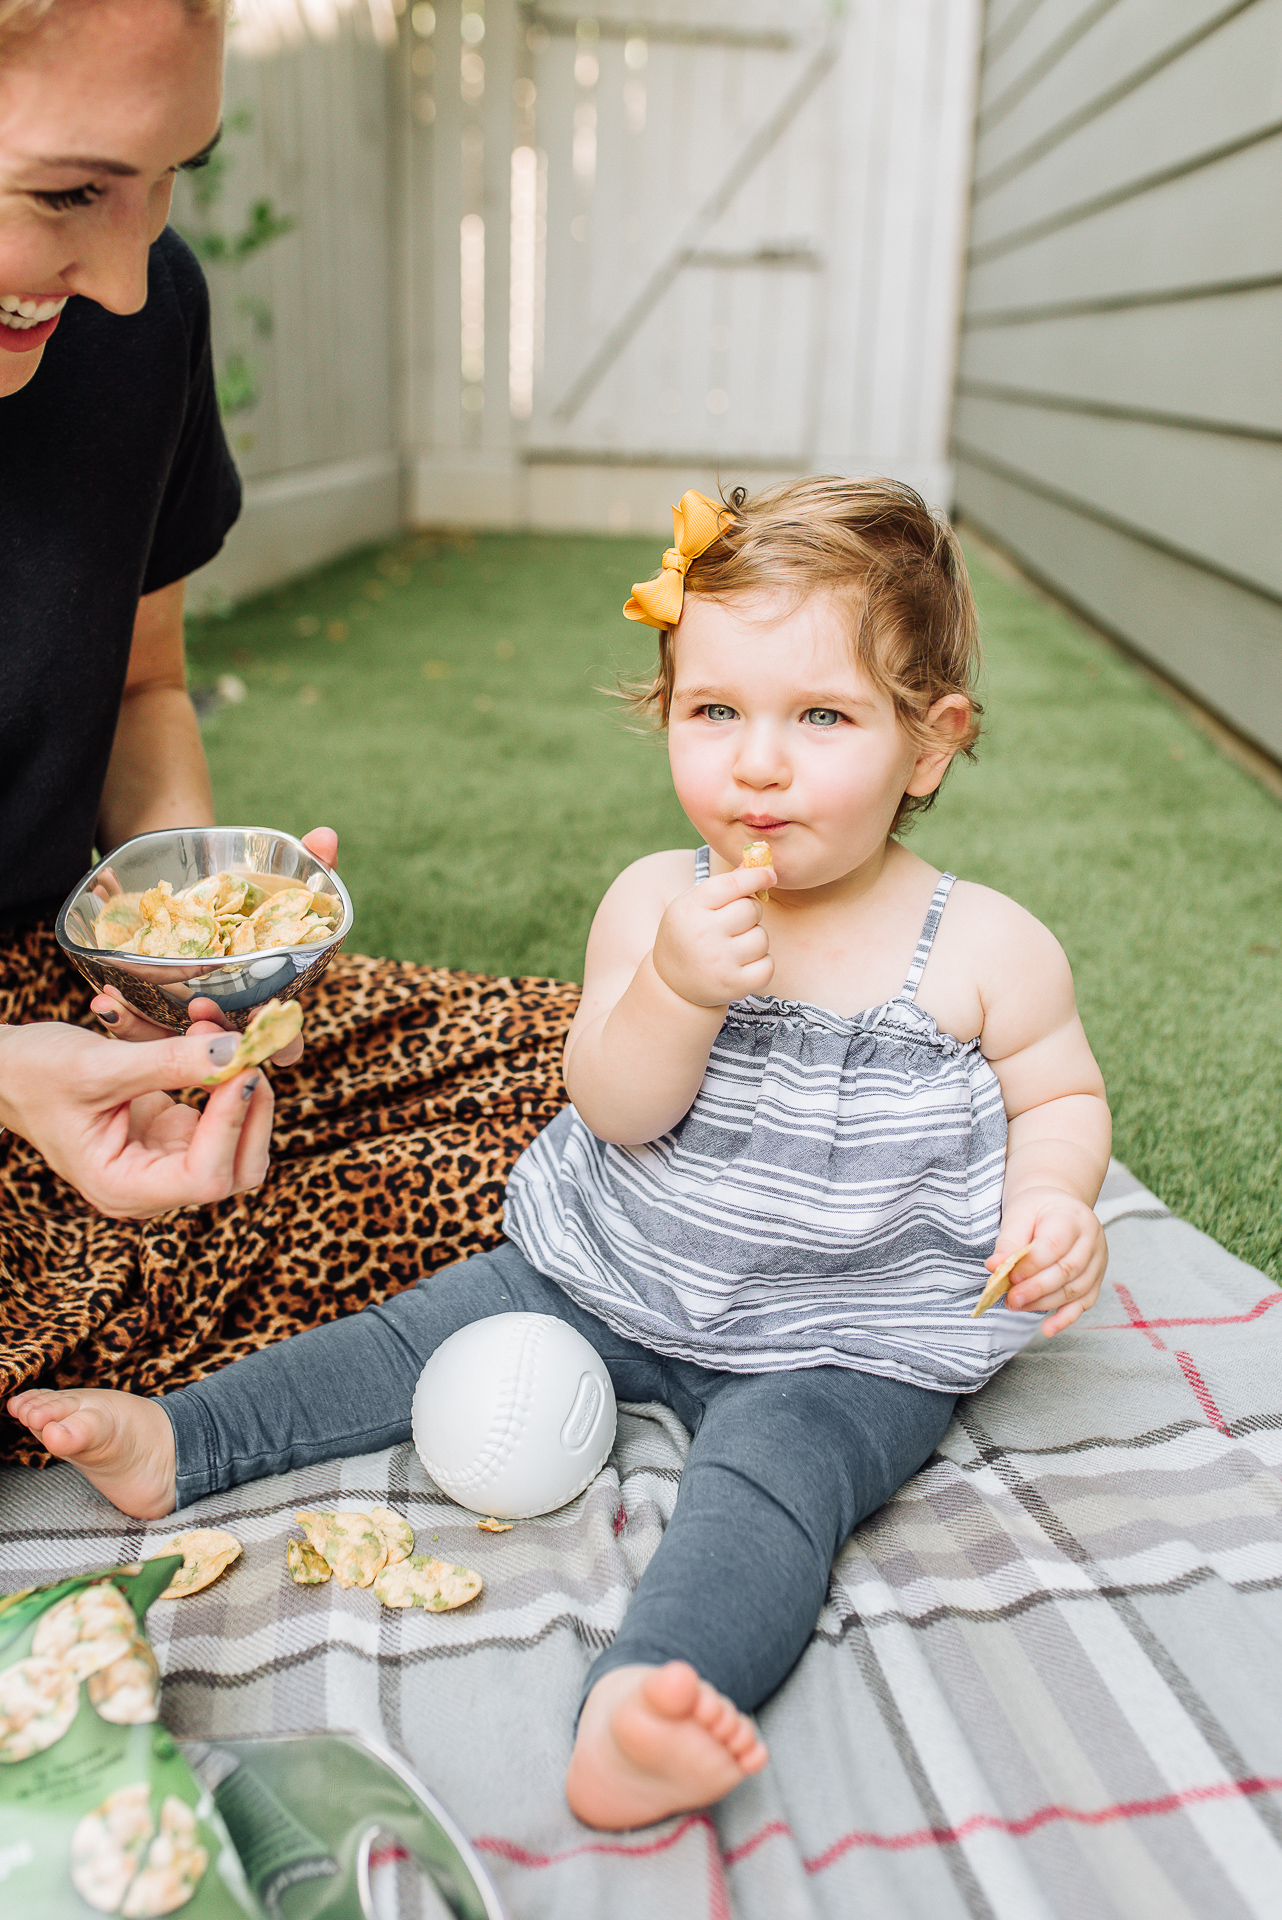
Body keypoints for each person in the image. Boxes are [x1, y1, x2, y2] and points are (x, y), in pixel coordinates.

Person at [10, 479, 1112, 1831]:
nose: (755, 763)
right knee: (406, 1333)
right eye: (714, 712)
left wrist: (1052, 1202)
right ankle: (182, 1443)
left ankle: (645, 1697)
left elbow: (1055, 1099)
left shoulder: (987, 946)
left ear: (928, 744)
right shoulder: (653, 903)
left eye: (819, 717)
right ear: (666, 717)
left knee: (774, 1495)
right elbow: (614, 1102)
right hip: (606, 1268)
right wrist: (675, 987)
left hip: (844, 1336)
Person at [0, 0, 576, 1462]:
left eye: (170, 177)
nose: (132, 280)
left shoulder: (140, 320)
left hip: (48, 983)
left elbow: (140, 687)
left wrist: (173, 969)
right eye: (68, 194)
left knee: (635, 1080)